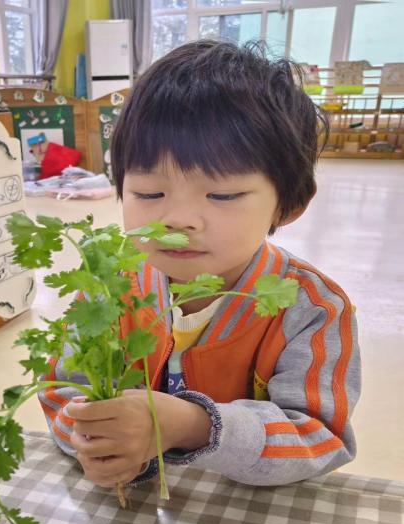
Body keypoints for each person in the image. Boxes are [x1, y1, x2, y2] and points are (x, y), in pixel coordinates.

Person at [38, 40, 361, 489]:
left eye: (222, 195)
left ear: (288, 206)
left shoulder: (313, 310)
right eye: (149, 194)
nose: (179, 219)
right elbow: (60, 389)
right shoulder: (110, 285)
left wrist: (194, 425)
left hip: (247, 521)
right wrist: (94, 442)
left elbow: (320, 439)